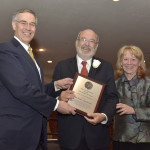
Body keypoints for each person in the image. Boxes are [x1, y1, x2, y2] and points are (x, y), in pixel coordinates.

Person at [0, 8, 76, 150]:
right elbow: (21, 89)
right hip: (15, 133)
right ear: (13, 25)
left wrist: (55, 86)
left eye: (32, 24)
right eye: (23, 23)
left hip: (32, 133)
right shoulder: (5, 50)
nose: (28, 28)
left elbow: (35, 90)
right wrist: (56, 105)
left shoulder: (30, 55)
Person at [52, 29, 118, 150]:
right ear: (76, 42)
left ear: (96, 46)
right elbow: (52, 96)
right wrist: (59, 97)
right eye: (83, 39)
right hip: (69, 136)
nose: (87, 44)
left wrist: (103, 116)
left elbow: (112, 97)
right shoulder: (62, 66)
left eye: (91, 41)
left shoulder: (106, 67)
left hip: (97, 136)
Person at [113, 45, 150, 150]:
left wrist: (134, 111)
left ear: (139, 63)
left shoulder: (148, 84)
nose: (129, 63)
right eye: (125, 59)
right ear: (121, 62)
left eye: (133, 59)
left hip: (144, 141)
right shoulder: (114, 85)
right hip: (120, 140)